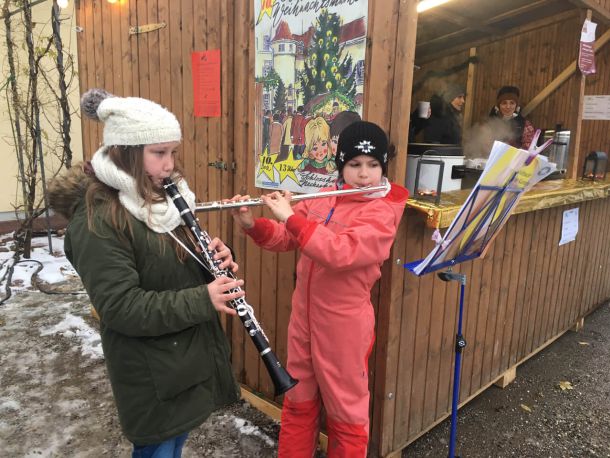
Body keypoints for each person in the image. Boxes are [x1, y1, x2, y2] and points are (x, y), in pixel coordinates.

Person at [48, 89, 243, 457]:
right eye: (159, 153)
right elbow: (121, 307)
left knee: (174, 444)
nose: (169, 165)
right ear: (126, 153)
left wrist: (213, 263)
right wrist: (204, 298)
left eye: (173, 153)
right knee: (159, 449)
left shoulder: (160, 199)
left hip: (180, 361)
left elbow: (171, 266)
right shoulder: (98, 219)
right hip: (151, 375)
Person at [230, 121, 410, 457]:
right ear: (341, 164)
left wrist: (291, 217)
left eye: (373, 165)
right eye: (354, 164)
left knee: (346, 412)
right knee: (298, 400)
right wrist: (252, 224)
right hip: (304, 317)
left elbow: (341, 252)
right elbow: (287, 237)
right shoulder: (325, 196)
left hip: (344, 325)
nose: (364, 174)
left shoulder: (382, 211)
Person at [488, 85, 536, 149]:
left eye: (512, 103)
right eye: (504, 103)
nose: (508, 107)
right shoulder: (488, 123)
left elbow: (529, 149)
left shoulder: (525, 125)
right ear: (499, 106)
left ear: (516, 106)